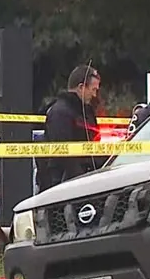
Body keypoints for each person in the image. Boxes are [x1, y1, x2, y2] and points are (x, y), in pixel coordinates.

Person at [36, 64, 105, 192]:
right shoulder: (60, 113)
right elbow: (63, 155)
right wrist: (80, 182)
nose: (95, 95)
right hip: (63, 186)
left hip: (86, 180)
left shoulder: (87, 111)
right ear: (81, 87)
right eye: (93, 89)